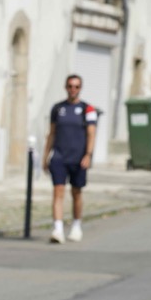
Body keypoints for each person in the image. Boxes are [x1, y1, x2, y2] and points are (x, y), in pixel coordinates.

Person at [43, 74, 98, 243]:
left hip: (78, 158)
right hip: (59, 156)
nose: (73, 89)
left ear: (80, 88)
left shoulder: (88, 109)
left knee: (76, 192)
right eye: (70, 86)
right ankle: (58, 229)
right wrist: (46, 155)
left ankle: (76, 225)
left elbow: (91, 134)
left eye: (76, 86)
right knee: (58, 191)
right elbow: (52, 133)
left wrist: (88, 155)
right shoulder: (57, 109)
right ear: (65, 87)